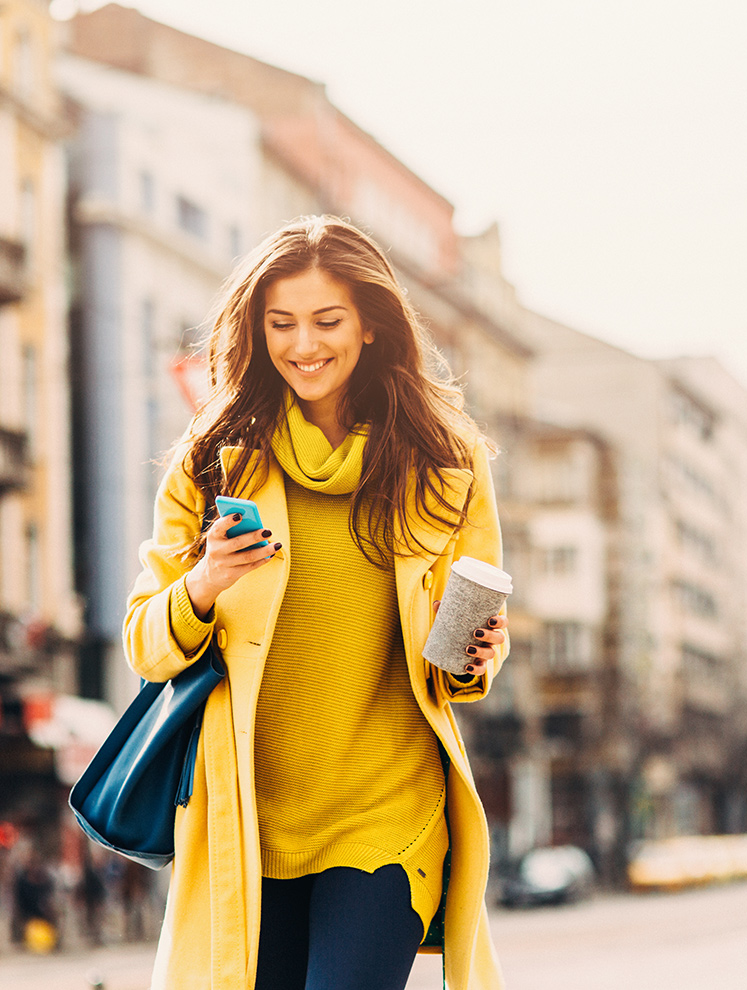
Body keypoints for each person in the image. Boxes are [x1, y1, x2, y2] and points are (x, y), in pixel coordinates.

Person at [122, 217, 508, 990]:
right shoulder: (211, 461)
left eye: (327, 321)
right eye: (281, 324)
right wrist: (204, 582)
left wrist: (478, 658)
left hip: (385, 815)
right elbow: (145, 645)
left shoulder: (444, 459)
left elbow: (466, 644)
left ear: (370, 325)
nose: (305, 344)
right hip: (246, 822)